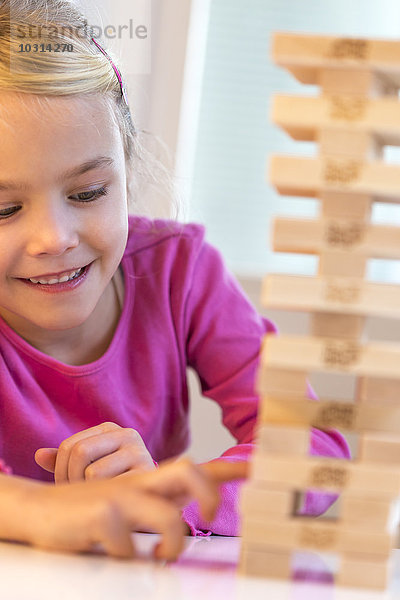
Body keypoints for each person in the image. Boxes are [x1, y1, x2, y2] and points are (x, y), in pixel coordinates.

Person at [0, 0, 350, 544]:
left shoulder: (179, 272)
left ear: (126, 167)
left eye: (88, 192)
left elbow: (315, 449)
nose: (55, 239)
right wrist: (37, 510)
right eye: (4, 210)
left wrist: (174, 493)